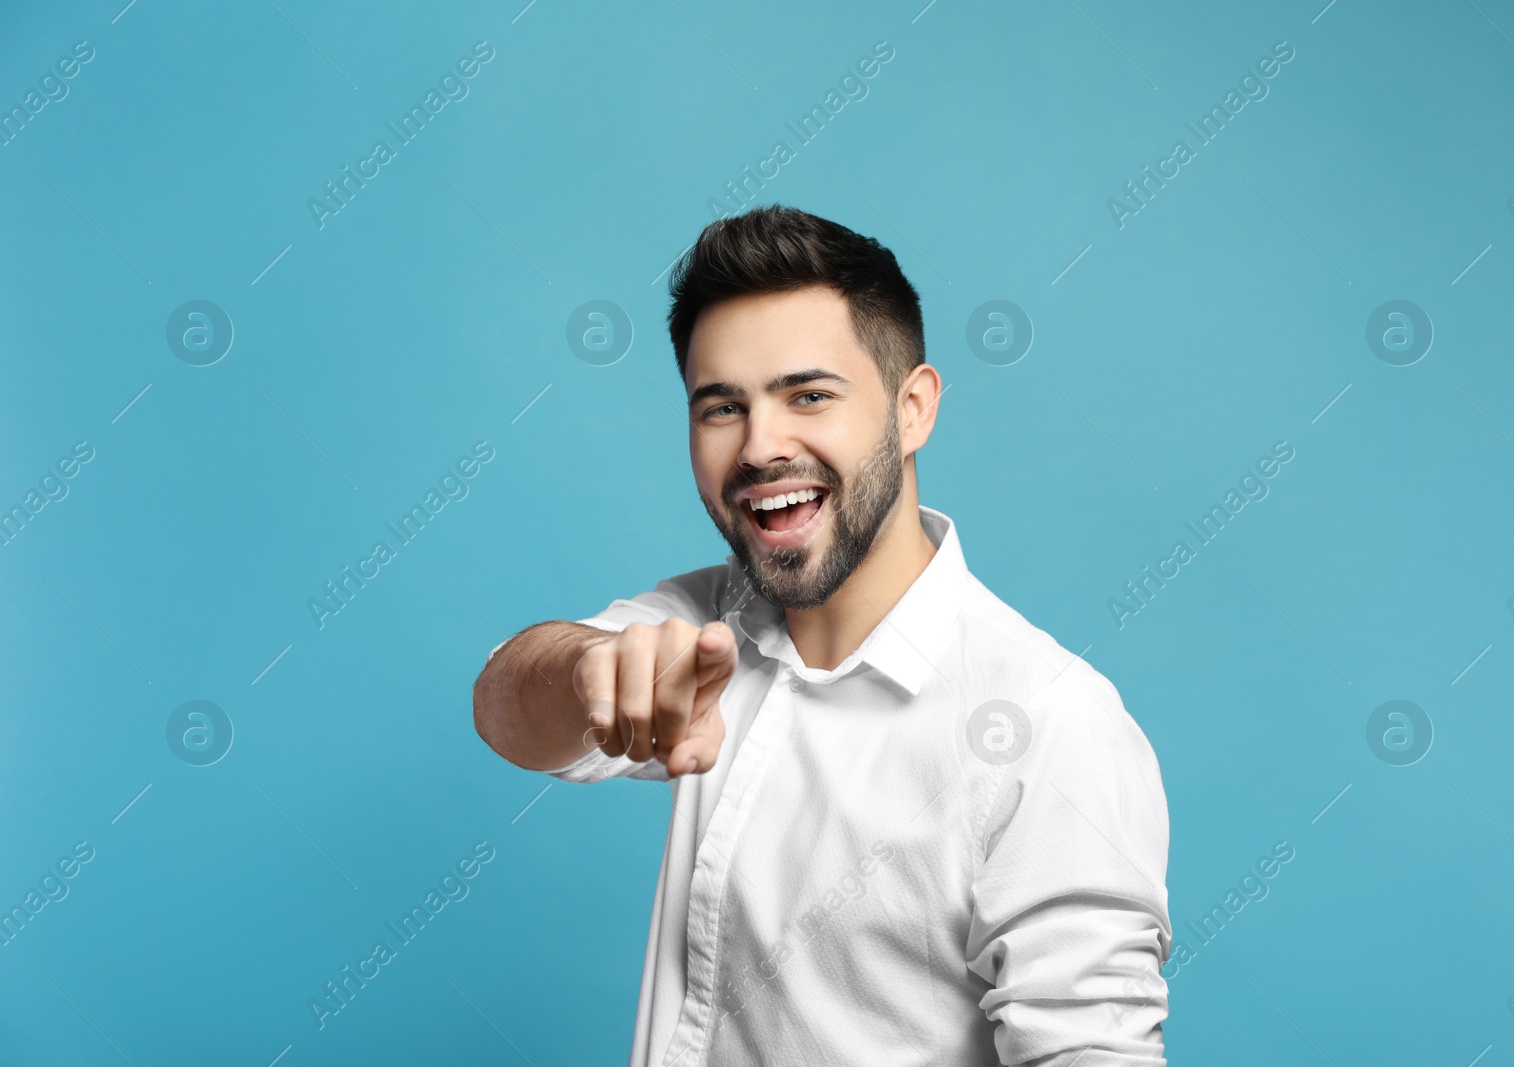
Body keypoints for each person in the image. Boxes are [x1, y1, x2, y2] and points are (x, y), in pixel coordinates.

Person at [473, 204, 1172, 1065]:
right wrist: (589, 671)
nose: (762, 447)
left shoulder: (1049, 726)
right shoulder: (705, 625)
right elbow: (503, 707)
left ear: (912, 410)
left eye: (809, 395)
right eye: (721, 407)